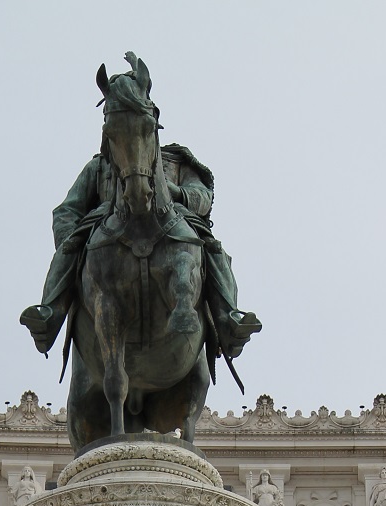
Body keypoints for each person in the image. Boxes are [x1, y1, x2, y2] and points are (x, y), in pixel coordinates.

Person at [20, 54, 260, 368]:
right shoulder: (98, 167)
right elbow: (67, 210)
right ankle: (49, 315)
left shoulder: (176, 161)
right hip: (107, 231)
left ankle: (229, 320)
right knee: (70, 250)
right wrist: (71, 241)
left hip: (174, 221)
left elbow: (203, 197)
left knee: (213, 250)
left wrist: (174, 192)